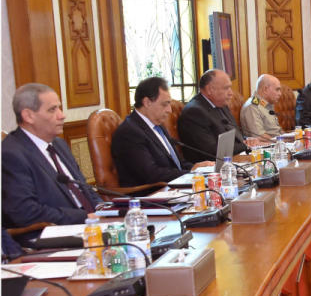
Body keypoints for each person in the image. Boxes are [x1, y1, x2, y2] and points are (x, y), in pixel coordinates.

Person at [1, 83, 103, 242]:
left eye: (59, 108)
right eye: (52, 109)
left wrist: (104, 210)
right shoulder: (11, 154)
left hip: (90, 226)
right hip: (52, 235)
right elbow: (25, 212)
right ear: (28, 116)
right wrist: (84, 216)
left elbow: (84, 188)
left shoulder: (59, 144)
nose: (62, 115)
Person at [112, 77, 213, 186]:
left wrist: (198, 168)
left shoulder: (158, 126)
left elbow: (177, 164)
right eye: (165, 104)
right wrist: (191, 173)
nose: (169, 110)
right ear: (147, 102)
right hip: (149, 196)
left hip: (173, 189)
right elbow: (152, 175)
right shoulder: (130, 132)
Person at [177, 69, 256, 163]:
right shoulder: (194, 112)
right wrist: (246, 145)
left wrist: (249, 141)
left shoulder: (221, 104)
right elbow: (213, 151)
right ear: (210, 90)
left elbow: (235, 135)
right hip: (208, 168)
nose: (231, 93)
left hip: (232, 160)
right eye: (226, 88)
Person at [241, 74, 284, 142]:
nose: (280, 93)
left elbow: (276, 131)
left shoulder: (267, 104)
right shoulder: (252, 106)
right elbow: (259, 137)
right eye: (277, 90)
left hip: (278, 144)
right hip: (267, 148)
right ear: (265, 89)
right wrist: (282, 141)